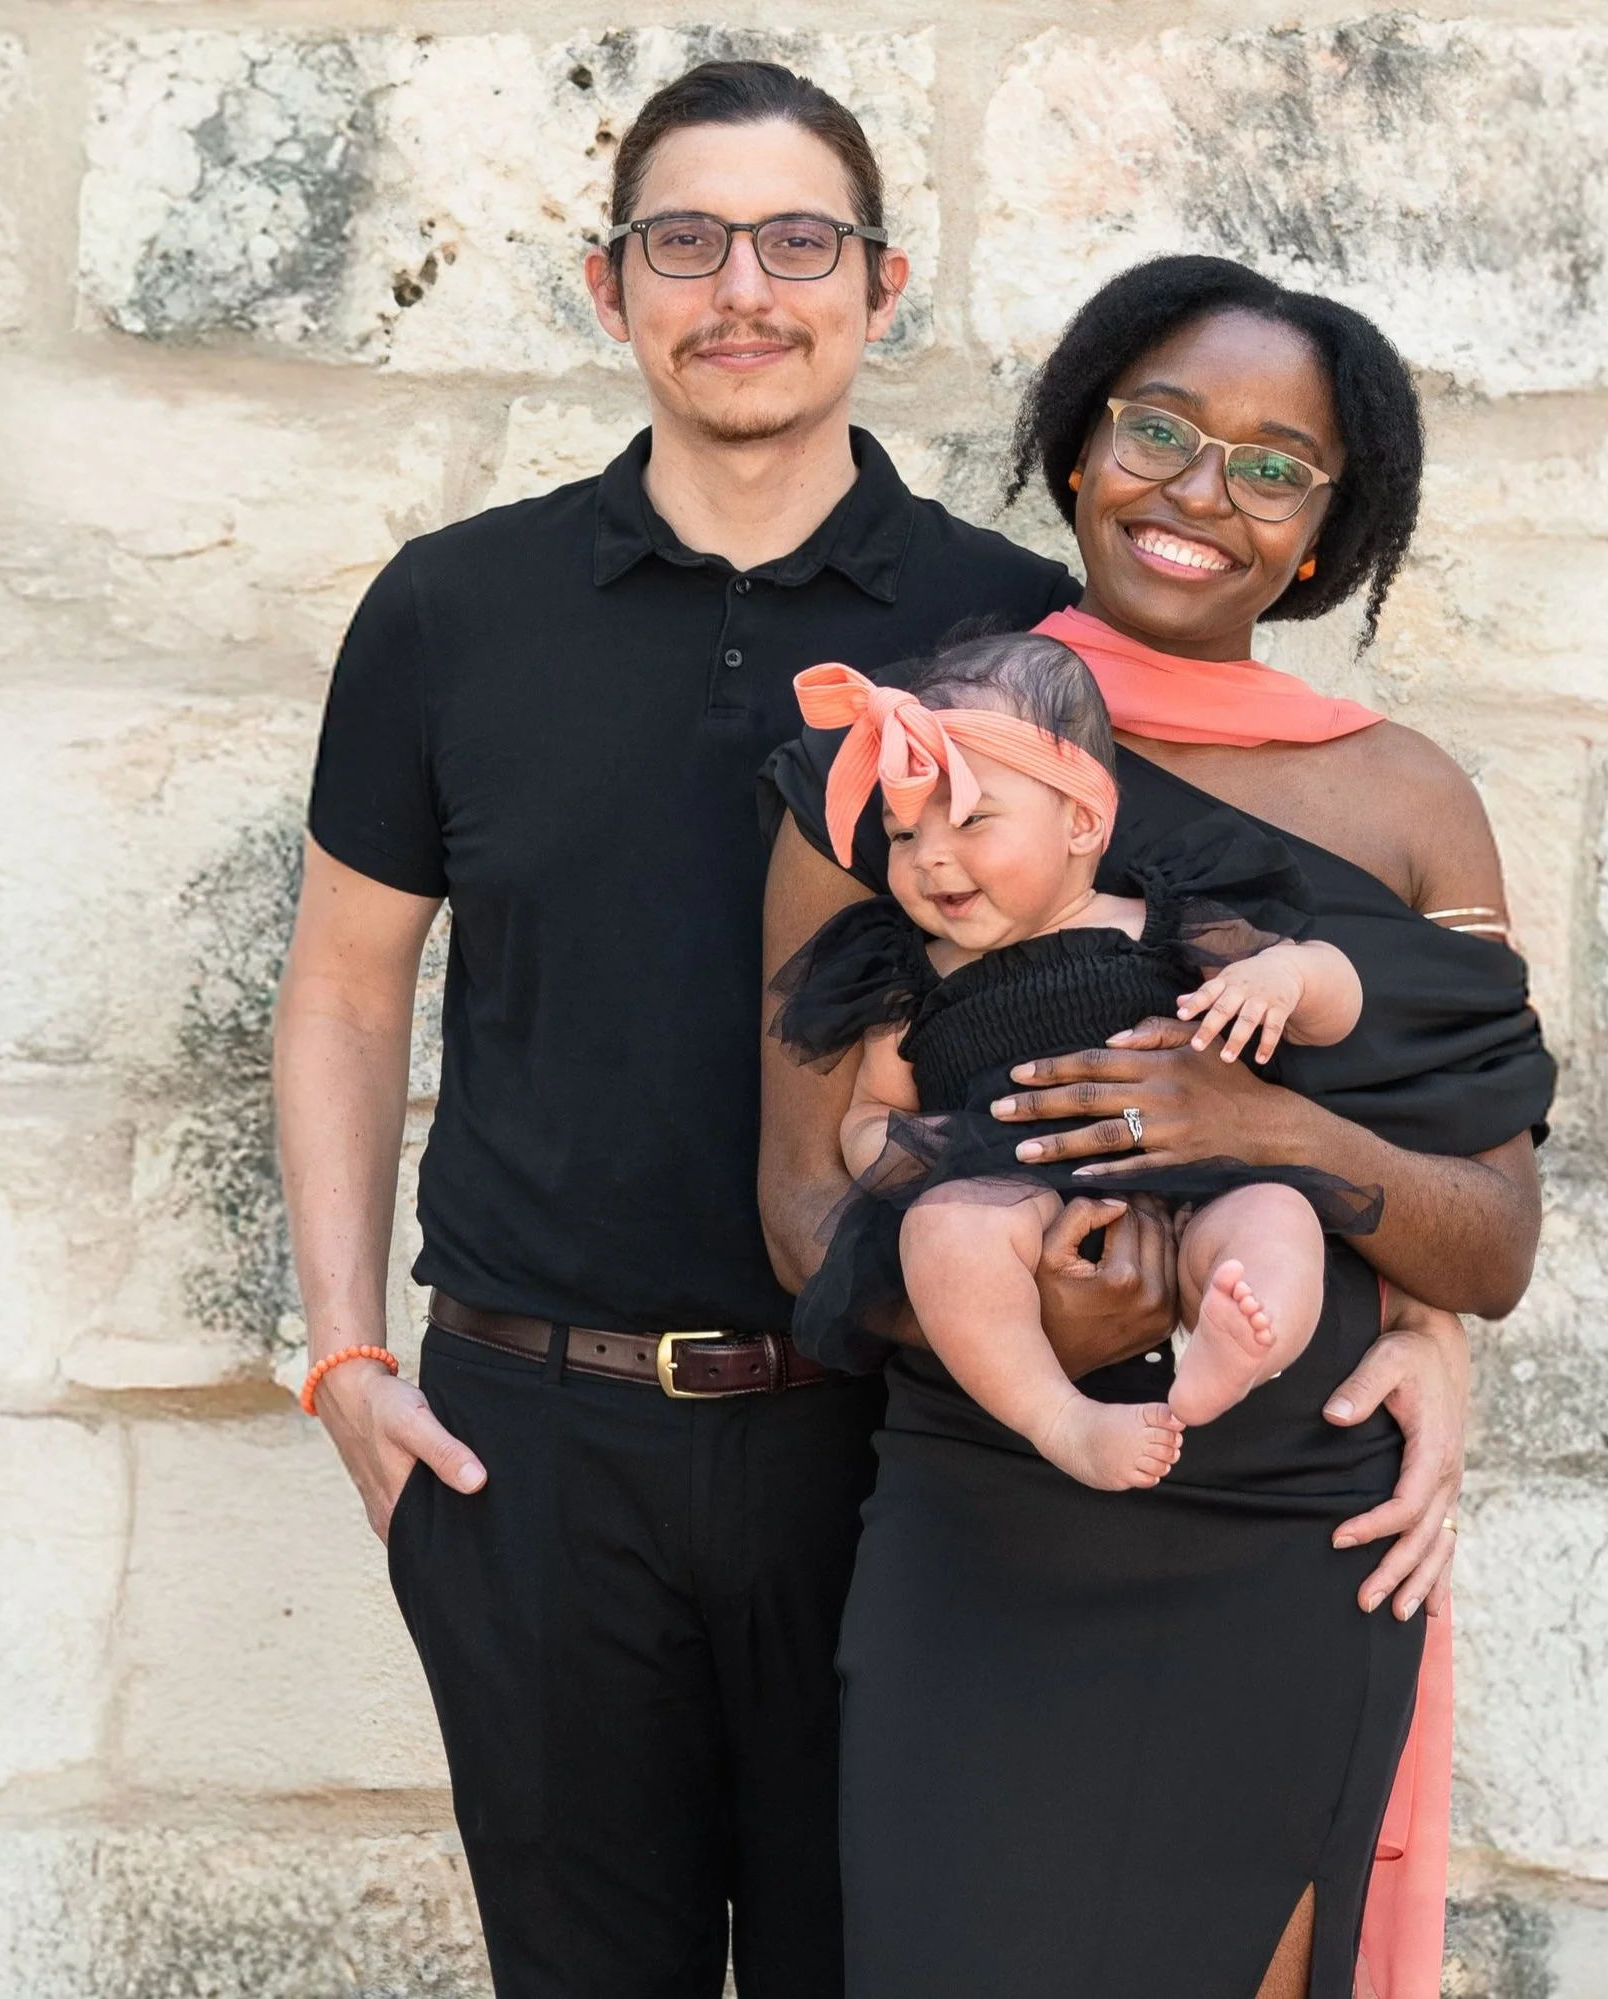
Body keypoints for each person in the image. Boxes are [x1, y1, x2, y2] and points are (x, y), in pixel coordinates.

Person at [271, 59, 1180, 1999]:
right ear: (612, 291)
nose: (739, 288)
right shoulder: (451, 612)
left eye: (794, 241)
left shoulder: (1012, 630)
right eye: (683, 242)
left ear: (882, 282)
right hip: (531, 1453)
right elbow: (347, 985)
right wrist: (346, 1352)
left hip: (900, 1441)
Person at [760, 255, 1556, 1999]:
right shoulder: (909, 759)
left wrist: (1273, 1129)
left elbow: (1490, 1237)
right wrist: (1040, 1308)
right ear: (1076, 449)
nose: (1203, 490)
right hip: (993, 1507)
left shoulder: (1410, 799)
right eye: (1163, 428)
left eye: (1277, 466)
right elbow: (803, 1201)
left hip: (1293, 1530)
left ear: (1331, 534)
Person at [772, 635, 1382, 1490]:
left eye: (972, 819)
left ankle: (1241, 1341)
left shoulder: (1165, 921)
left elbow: (1338, 1000)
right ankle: (1059, 1417)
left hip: (1195, 1172)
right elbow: (869, 1116)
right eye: (903, 831)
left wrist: (1283, 978)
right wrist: (912, 1150)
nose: (930, 856)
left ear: (1083, 820)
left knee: (1276, 1213)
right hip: (1011, 1189)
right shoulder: (912, 976)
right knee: (940, 1232)